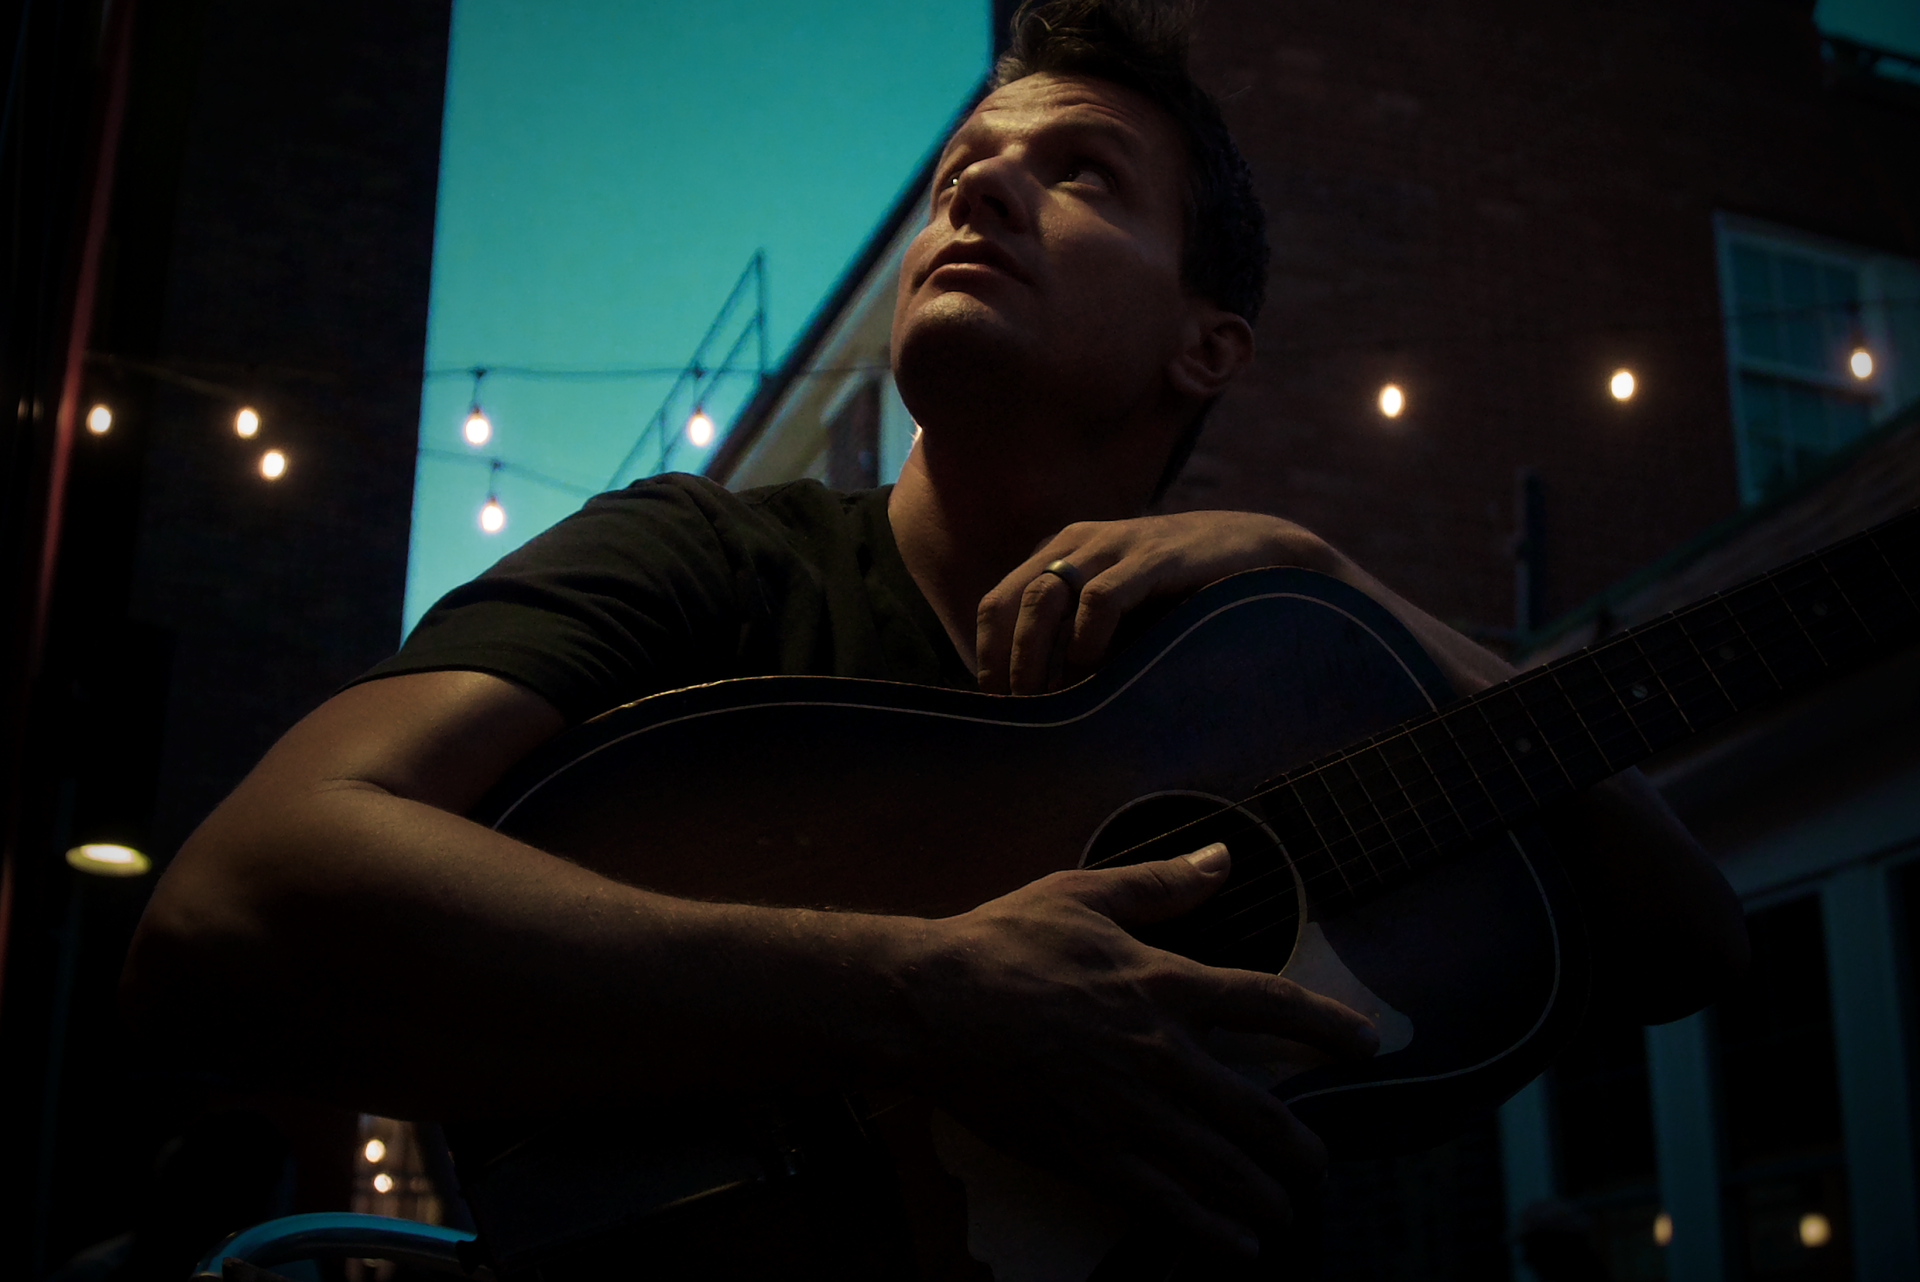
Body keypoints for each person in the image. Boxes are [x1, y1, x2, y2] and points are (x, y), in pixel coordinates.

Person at [122, 0, 1747, 1272]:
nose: (979, 180)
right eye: (972, 159)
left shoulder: (1294, 668)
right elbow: (227, 912)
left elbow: (1694, 940)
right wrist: (929, 990)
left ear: (1208, 345)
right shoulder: (694, 560)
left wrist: (1337, 570)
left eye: (1082, 170)